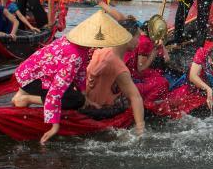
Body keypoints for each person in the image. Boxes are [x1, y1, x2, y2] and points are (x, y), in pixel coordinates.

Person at [12, 10, 133, 144]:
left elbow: (81, 73)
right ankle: (25, 99)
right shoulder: (74, 56)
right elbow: (55, 92)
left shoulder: (77, 44)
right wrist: (54, 125)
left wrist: (85, 96)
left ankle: (23, 94)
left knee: (80, 98)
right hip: (34, 78)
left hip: (30, 72)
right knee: (75, 101)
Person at [83, 19, 146, 136]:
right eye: (137, 37)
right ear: (127, 37)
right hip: (101, 111)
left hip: (87, 103)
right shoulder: (118, 67)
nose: (139, 41)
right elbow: (136, 98)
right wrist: (140, 131)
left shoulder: (101, 51)